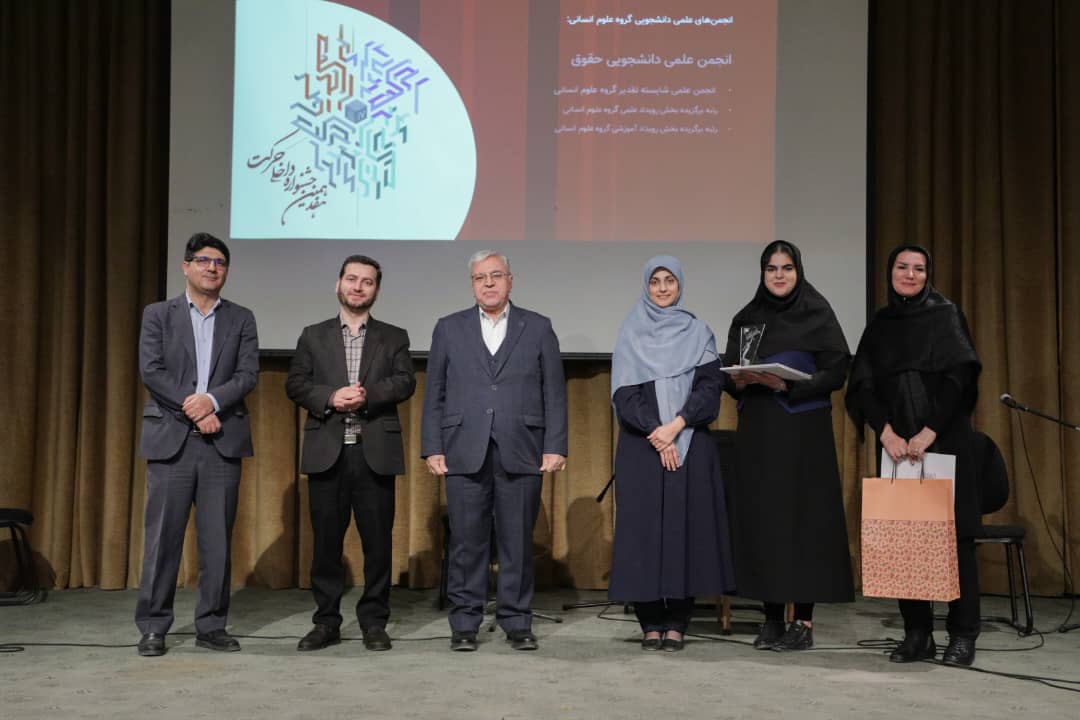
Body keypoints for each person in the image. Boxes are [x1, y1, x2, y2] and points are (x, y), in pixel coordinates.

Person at [421, 250, 568, 652]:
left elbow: (554, 392)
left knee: (516, 542)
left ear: (510, 280)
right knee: (466, 543)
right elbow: (434, 394)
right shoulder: (448, 328)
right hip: (463, 448)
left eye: (496, 275)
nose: (488, 283)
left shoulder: (537, 327)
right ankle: (464, 623)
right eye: (480, 277)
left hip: (522, 447)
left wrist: (555, 445)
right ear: (472, 284)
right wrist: (432, 447)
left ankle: (516, 621)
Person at [845, 244, 982, 666]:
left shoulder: (946, 315)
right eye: (902, 267)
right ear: (890, 273)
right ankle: (917, 634)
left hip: (944, 441)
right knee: (906, 541)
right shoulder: (881, 324)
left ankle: (962, 635)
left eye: (918, 268)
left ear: (928, 274)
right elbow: (863, 386)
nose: (910, 275)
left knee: (955, 542)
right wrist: (885, 432)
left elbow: (959, 379)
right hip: (897, 447)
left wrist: (930, 431)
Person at [722, 241, 854, 651]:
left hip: (804, 435)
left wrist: (790, 385)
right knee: (767, 522)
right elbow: (731, 372)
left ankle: (804, 622)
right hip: (760, 433)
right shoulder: (747, 318)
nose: (779, 276)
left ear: (798, 271)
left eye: (786, 268)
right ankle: (772, 618)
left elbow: (837, 370)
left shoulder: (817, 313)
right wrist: (738, 380)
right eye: (771, 269)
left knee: (804, 522)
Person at [135, 232, 259, 657]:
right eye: (204, 260)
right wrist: (195, 406)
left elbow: (247, 375)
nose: (212, 268)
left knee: (217, 542)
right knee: (162, 540)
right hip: (171, 441)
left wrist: (213, 402)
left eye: (220, 262)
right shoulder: (158, 314)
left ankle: (211, 625)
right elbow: (151, 370)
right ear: (185, 266)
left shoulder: (241, 318)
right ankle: (153, 627)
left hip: (221, 442)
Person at [285, 255, 416, 652]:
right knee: (326, 544)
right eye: (352, 279)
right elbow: (295, 384)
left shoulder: (394, 336)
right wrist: (330, 397)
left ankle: (374, 622)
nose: (358, 287)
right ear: (338, 284)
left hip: (374, 452)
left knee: (378, 544)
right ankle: (326, 622)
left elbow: (405, 382)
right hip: (328, 452)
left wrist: (365, 396)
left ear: (377, 290)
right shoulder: (313, 335)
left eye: (367, 282)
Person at [609, 256, 735, 652]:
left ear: (680, 285)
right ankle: (650, 622)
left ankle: (678, 622)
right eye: (655, 281)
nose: (662, 288)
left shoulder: (699, 332)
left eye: (669, 281)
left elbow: (710, 389)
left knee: (687, 532)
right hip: (641, 446)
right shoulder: (630, 332)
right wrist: (657, 432)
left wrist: (676, 426)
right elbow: (624, 395)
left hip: (691, 444)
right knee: (643, 533)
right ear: (646, 286)